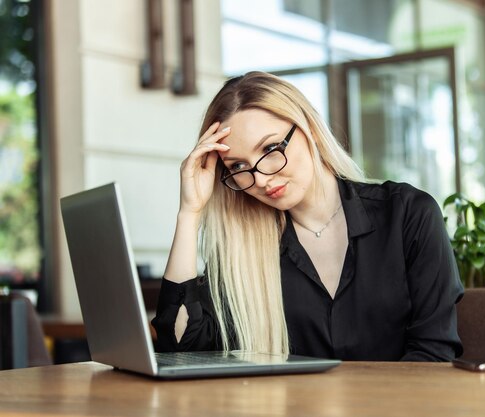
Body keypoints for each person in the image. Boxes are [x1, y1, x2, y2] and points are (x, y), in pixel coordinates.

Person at [151, 71, 464, 361]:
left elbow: (433, 354)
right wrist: (189, 213)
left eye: (271, 148)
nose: (259, 178)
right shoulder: (242, 252)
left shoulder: (408, 215)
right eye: (238, 166)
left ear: (310, 129)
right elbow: (181, 346)